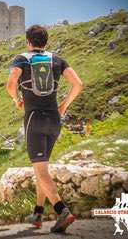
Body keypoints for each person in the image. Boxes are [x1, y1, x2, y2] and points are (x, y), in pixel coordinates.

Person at [6, 25, 83, 233]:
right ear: (46, 42)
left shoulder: (22, 58)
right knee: (41, 169)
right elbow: (78, 84)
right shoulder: (57, 59)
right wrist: (64, 106)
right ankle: (38, 213)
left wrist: (16, 99)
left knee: (40, 169)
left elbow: (11, 83)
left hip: (34, 120)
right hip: (54, 121)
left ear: (28, 42)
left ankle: (62, 211)